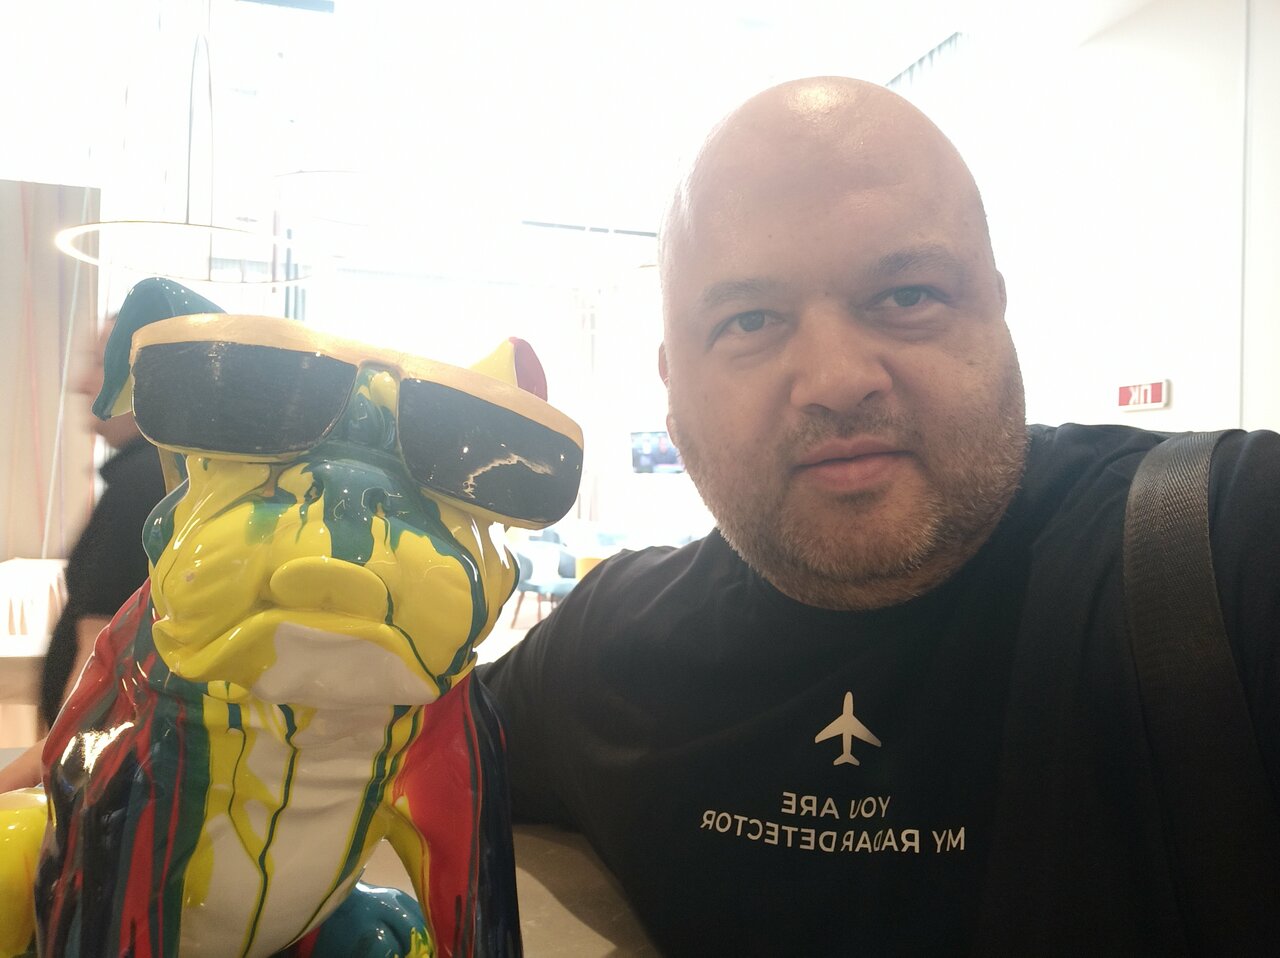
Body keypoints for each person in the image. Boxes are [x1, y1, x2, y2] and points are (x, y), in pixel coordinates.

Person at [479, 77, 1280, 955]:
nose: (835, 379)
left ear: (997, 313)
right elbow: (388, 765)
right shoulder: (609, 653)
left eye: (906, 297)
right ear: (673, 389)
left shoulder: (1220, 551)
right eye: (750, 319)